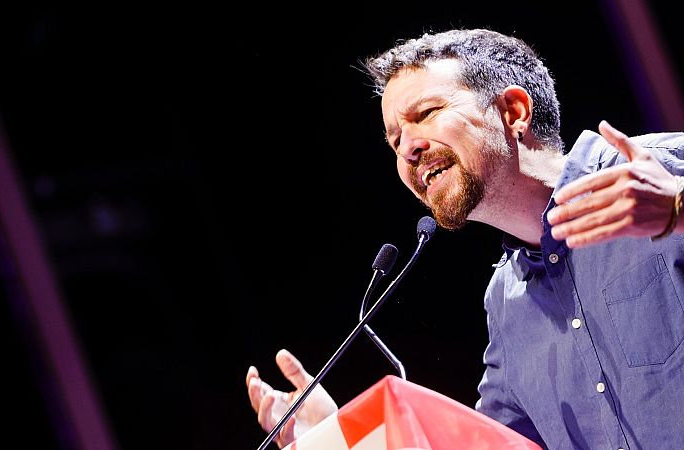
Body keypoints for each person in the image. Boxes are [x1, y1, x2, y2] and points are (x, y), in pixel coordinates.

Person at [245, 28, 684, 449]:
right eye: (395, 141)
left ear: (514, 112)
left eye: (425, 114)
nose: (407, 149)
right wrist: (341, 435)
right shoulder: (506, 304)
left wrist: (677, 208)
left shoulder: (661, 169)